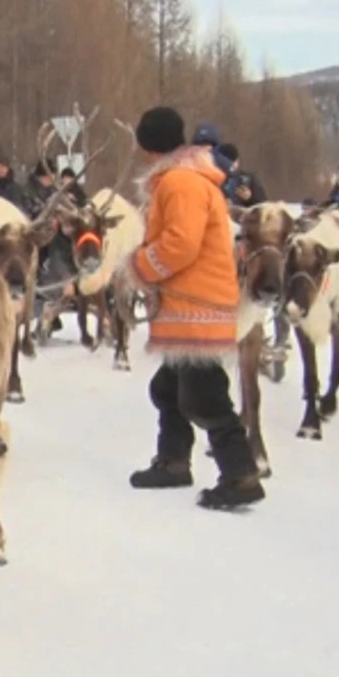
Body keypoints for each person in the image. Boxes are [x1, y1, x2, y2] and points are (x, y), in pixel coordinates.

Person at [124, 107, 264, 511]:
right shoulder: (184, 178)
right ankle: (173, 462)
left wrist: (140, 266)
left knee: (204, 397)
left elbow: (181, 244)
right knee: (168, 388)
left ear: (146, 145)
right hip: (189, 303)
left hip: (194, 304)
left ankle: (241, 475)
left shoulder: (179, 183)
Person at [218, 144, 266, 209]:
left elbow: (265, 207)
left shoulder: (249, 179)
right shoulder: (213, 181)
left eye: (232, 161)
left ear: (238, 161)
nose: (229, 165)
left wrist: (250, 198)